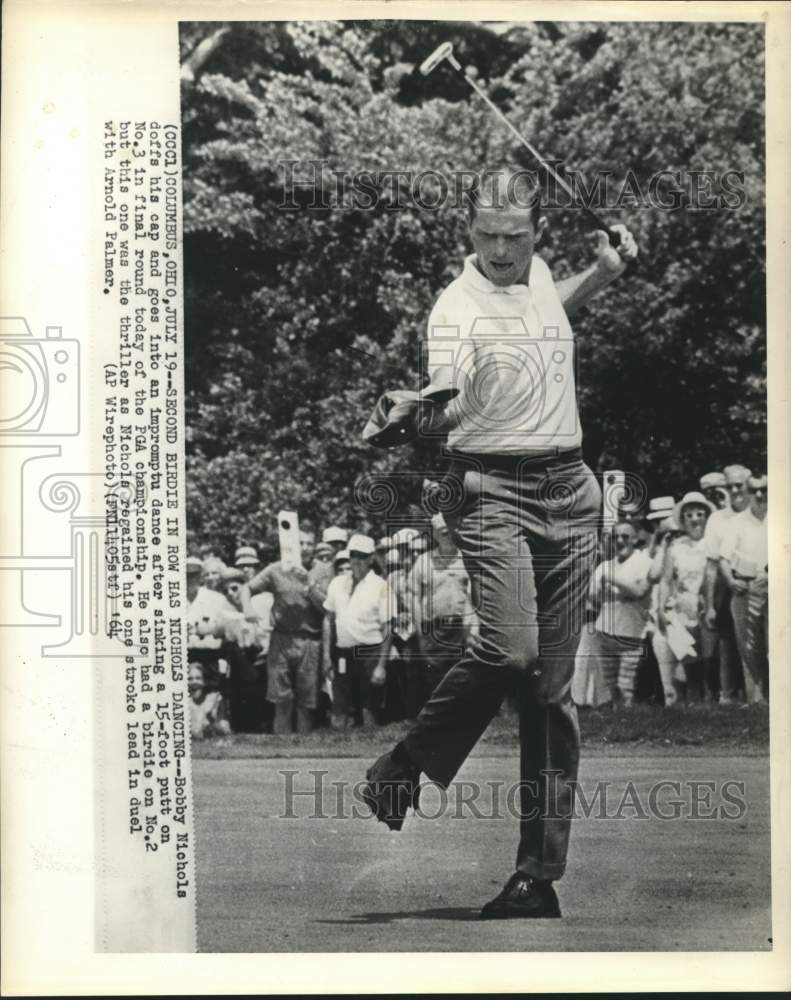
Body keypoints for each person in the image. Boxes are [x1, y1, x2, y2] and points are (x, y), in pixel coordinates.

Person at [361, 162, 638, 919]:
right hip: (490, 490)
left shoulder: (541, 276)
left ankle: (535, 878)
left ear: (536, 231)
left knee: (550, 691)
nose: (501, 252)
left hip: (570, 491)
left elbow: (550, 313)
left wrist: (604, 271)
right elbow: (446, 406)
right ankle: (409, 759)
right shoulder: (454, 309)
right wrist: (420, 417)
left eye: (514, 237)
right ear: (467, 232)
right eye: (486, 237)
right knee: (509, 649)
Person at [244, 528, 325, 734]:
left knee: (307, 703)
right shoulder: (275, 570)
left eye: (309, 543)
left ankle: (303, 752)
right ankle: (281, 752)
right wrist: (248, 608)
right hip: (281, 640)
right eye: (301, 543)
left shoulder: (324, 570)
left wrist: (309, 583)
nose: (305, 548)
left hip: (310, 641)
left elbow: (326, 607)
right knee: (282, 701)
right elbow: (247, 589)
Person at [580, 520, 659, 707]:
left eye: (625, 537)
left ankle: (629, 723)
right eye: (616, 537)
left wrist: (612, 580)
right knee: (611, 687)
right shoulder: (604, 566)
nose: (620, 541)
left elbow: (639, 591)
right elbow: (593, 599)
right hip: (605, 632)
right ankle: (618, 723)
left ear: (634, 539)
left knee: (626, 687)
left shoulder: (645, 563)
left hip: (632, 633)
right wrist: (604, 590)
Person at [322, 534, 394, 728]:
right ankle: (336, 752)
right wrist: (326, 657)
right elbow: (328, 620)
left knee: (369, 707)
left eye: (363, 556)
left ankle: (369, 751)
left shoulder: (381, 586)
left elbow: (387, 627)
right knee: (339, 706)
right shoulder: (337, 583)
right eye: (354, 555)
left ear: (371, 558)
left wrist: (381, 665)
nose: (357, 561)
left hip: (370, 652)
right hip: (343, 652)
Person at [409, 512, 477, 707]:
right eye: (441, 532)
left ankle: (459, 719)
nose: (446, 535)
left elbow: (474, 597)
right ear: (434, 534)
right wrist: (420, 626)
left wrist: (473, 626)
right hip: (433, 627)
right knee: (433, 676)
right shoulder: (423, 561)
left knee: (461, 675)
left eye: (448, 532)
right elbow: (414, 595)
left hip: (461, 627)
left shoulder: (466, 559)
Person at [653, 492, 715, 703]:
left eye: (700, 514)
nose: (695, 519)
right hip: (682, 605)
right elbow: (666, 579)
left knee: (710, 657)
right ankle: (693, 700)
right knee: (688, 657)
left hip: (708, 604)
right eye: (689, 515)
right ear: (683, 519)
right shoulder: (677, 546)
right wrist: (661, 607)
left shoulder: (713, 543)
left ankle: (713, 698)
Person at [702, 464, 751, 703]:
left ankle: (756, 696)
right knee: (727, 645)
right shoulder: (717, 519)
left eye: (739, 485)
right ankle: (728, 697)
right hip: (726, 587)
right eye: (729, 486)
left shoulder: (760, 511)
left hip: (758, 583)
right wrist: (710, 604)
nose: (735, 491)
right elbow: (711, 565)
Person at [720, 474, 768, 703]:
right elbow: (723, 559)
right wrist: (730, 581)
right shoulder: (737, 523)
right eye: (755, 490)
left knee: (779, 643)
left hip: (777, 586)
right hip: (746, 588)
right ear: (748, 493)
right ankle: (757, 700)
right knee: (750, 647)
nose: (760, 495)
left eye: (764, 489)